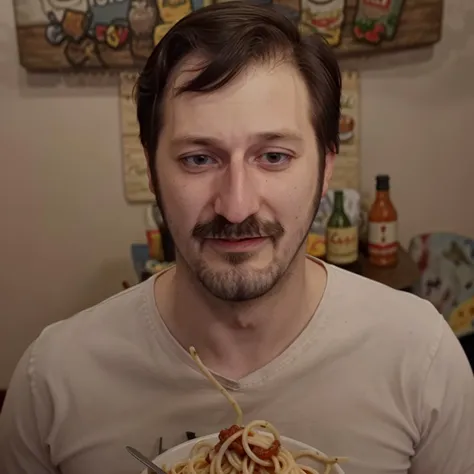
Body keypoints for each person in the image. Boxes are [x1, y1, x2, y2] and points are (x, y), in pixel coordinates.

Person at [1, 2, 473, 473]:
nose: (237, 206)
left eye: (273, 156)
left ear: (326, 168)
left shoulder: (421, 359)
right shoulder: (53, 382)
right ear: (152, 170)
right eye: (198, 159)